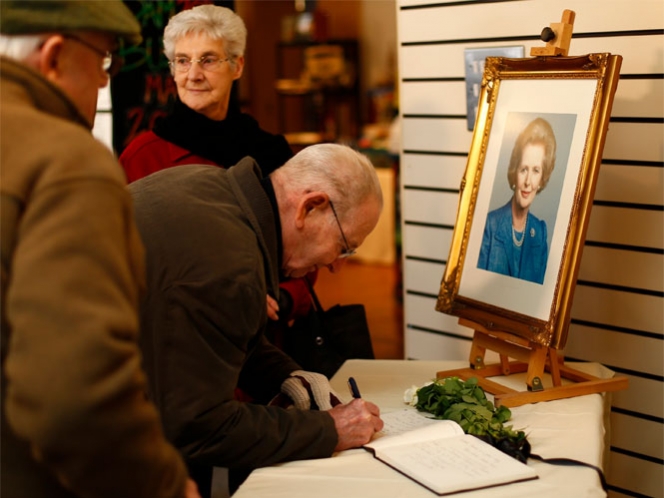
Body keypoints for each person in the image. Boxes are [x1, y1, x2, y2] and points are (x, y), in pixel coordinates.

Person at [0, 2, 199, 497]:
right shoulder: (66, 163)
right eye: (103, 60)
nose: (106, 80)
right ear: (53, 56)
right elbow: (74, 396)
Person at [128, 143, 385, 496]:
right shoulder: (230, 265)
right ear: (310, 207)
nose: (336, 265)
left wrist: (287, 375)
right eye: (344, 247)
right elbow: (200, 428)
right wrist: (328, 429)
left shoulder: (212, 189)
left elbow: (209, 336)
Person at [118, 3, 312, 335]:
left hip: (267, 341)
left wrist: (282, 298)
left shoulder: (272, 153)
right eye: (182, 61)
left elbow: (307, 248)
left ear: (237, 66)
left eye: (208, 60)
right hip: (179, 342)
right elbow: (125, 262)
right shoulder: (142, 157)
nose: (193, 74)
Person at [477, 117, 557, 284]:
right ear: (514, 172)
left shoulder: (540, 233)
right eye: (523, 169)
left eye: (536, 170)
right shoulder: (489, 226)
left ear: (542, 178)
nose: (528, 181)